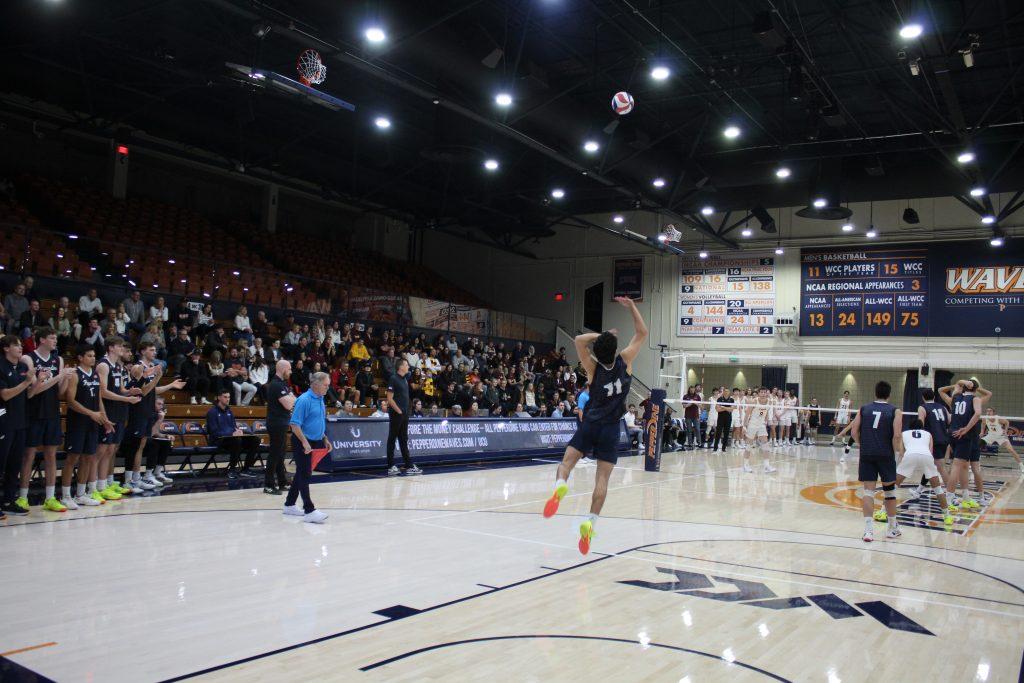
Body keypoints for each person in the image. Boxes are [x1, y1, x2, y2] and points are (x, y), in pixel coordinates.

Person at [543, 296, 646, 555]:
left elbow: (579, 341)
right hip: (612, 429)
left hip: (590, 424)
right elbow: (642, 332)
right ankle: (590, 521)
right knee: (602, 481)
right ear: (615, 349)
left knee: (565, 464)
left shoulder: (592, 368)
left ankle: (559, 487)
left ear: (599, 350)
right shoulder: (626, 361)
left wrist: (603, 336)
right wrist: (632, 306)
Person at [17, 327, 72, 513]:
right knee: (28, 456)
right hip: (32, 413)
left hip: (52, 413)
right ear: (41, 340)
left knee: (51, 455)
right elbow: (33, 392)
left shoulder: (58, 360)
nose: (55, 341)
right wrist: (58, 376)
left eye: (56, 338)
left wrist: (65, 378)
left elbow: (61, 392)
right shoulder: (28, 359)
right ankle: (22, 497)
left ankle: (50, 498)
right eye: (51, 337)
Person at [60, 345, 113, 510]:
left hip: (93, 422)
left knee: (89, 457)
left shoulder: (96, 375)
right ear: (80, 357)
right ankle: (65, 496)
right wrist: (91, 413)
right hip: (77, 423)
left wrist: (105, 419)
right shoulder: (75, 375)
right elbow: (70, 401)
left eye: (94, 355)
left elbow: (98, 400)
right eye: (89, 355)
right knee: (72, 458)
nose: (93, 358)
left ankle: (81, 494)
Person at [849, 380, 902, 542]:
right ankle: (892, 528)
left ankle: (868, 531)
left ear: (875, 393)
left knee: (868, 492)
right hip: (886, 455)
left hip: (867, 454)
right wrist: (896, 453)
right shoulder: (895, 411)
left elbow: (853, 431)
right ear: (889, 394)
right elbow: (897, 435)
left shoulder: (864, 409)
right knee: (890, 492)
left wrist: (862, 445)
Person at [95, 336, 141, 501]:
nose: (123, 349)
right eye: (120, 346)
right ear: (111, 347)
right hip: (107, 410)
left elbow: (120, 389)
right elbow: (103, 392)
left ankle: (105, 483)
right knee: (101, 450)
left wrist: (130, 392)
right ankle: (96, 486)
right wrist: (126, 399)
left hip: (118, 411)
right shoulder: (103, 365)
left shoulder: (118, 366)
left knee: (111, 449)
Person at [284, 371, 330, 523]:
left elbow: (318, 421)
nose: (327, 388)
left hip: (315, 441)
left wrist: (324, 438)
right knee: (305, 474)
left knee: (302, 473)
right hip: (302, 441)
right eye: (325, 385)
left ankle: (289, 504)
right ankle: (309, 510)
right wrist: (304, 442)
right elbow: (294, 424)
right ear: (316, 384)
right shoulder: (304, 400)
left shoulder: (320, 399)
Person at [893, 416, 955, 527]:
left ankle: (883, 512)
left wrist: (901, 467)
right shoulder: (928, 434)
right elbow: (930, 452)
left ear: (910, 427)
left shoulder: (904, 433)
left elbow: (901, 452)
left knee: (894, 486)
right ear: (922, 427)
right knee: (938, 489)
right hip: (926, 456)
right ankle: (947, 516)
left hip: (910, 455)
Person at [939, 379, 990, 511]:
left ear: (963, 387)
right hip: (965, 435)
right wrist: (966, 429)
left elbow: (941, 390)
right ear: (974, 389)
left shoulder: (955, 398)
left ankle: (966, 496)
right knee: (958, 466)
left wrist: (961, 383)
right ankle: (949, 498)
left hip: (953, 434)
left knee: (963, 466)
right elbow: (978, 413)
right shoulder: (975, 399)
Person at [0, 335, 35, 516]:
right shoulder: (1, 366)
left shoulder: (22, 367)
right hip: (4, 422)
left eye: (21, 345)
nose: (20, 348)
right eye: (16, 345)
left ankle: (8, 500)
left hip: (21, 421)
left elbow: (28, 394)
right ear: (6, 348)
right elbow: (5, 394)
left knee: (15, 464)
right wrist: (27, 382)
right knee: (1, 463)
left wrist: (37, 381)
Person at [206, 390, 260, 479]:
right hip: (218, 441)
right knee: (237, 440)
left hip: (231, 439)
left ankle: (246, 469)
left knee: (255, 440)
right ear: (219, 397)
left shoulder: (229, 411)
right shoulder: (212, 412)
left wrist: (238, 431)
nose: (227, 399)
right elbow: (214, 432)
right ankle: (232, 469)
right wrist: (232, 433)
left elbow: (233, 427)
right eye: (225, 397)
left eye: (229, 397)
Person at [385, 359, 422, 476]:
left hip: (405, 414)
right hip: (397, 414)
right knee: (392, 438)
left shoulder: (405, 380)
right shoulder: (393, 378)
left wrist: (405, 412)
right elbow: (389, 399)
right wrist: (399, 411)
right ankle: (390, 466)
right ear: (400, 367)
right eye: (406, 365)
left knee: (403, 439)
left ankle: (408, 465)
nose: (408, 367)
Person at [263, 360, 295, 495]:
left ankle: (282, 482)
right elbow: (289, 404)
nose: (291, 372)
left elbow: (293, 399)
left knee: (281, 454)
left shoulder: (282, 384)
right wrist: (291, 397)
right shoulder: (276, 385)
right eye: (289, 369)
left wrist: (291, 397)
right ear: (283, 369)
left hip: (282, 422)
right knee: (274, 454)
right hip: (276, 423)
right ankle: (268, 485)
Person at [917, 388, 952, 494]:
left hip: (933, 440)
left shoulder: (922, 408)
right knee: (930, 465)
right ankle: (919, 490)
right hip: (944, 438)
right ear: (934, 397)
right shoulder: (943, 407)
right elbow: (950, 420)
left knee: (940, 467)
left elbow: (920, 424)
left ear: (923, 398)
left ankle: (951, 494)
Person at [741, 388, 776, 474]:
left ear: (766, 393)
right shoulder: (754, 401)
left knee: (765, 444)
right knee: (749, 445)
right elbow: (747, 414)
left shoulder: (769, 402)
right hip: (752, 424)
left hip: (761, 425)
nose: (763, 394)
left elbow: (765, 412)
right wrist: (744, 426)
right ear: (759, 393)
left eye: (764, 392)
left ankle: (766, 466)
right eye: (761, 392)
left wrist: (768, 420)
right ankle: (745, 465)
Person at [981, 407, 1022, 473]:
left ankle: (1021, 466)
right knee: (978, 445)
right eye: (987, 411)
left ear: (993, 412)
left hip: (1000, 436)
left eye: (990, 411)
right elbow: (983, 424)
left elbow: (1007, 422)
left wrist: (1005, 431)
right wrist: (982, 432)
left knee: (1011, 450)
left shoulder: (998, 418)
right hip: (991, 435)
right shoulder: (984, 418)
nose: (988, 412)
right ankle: (974, 463)